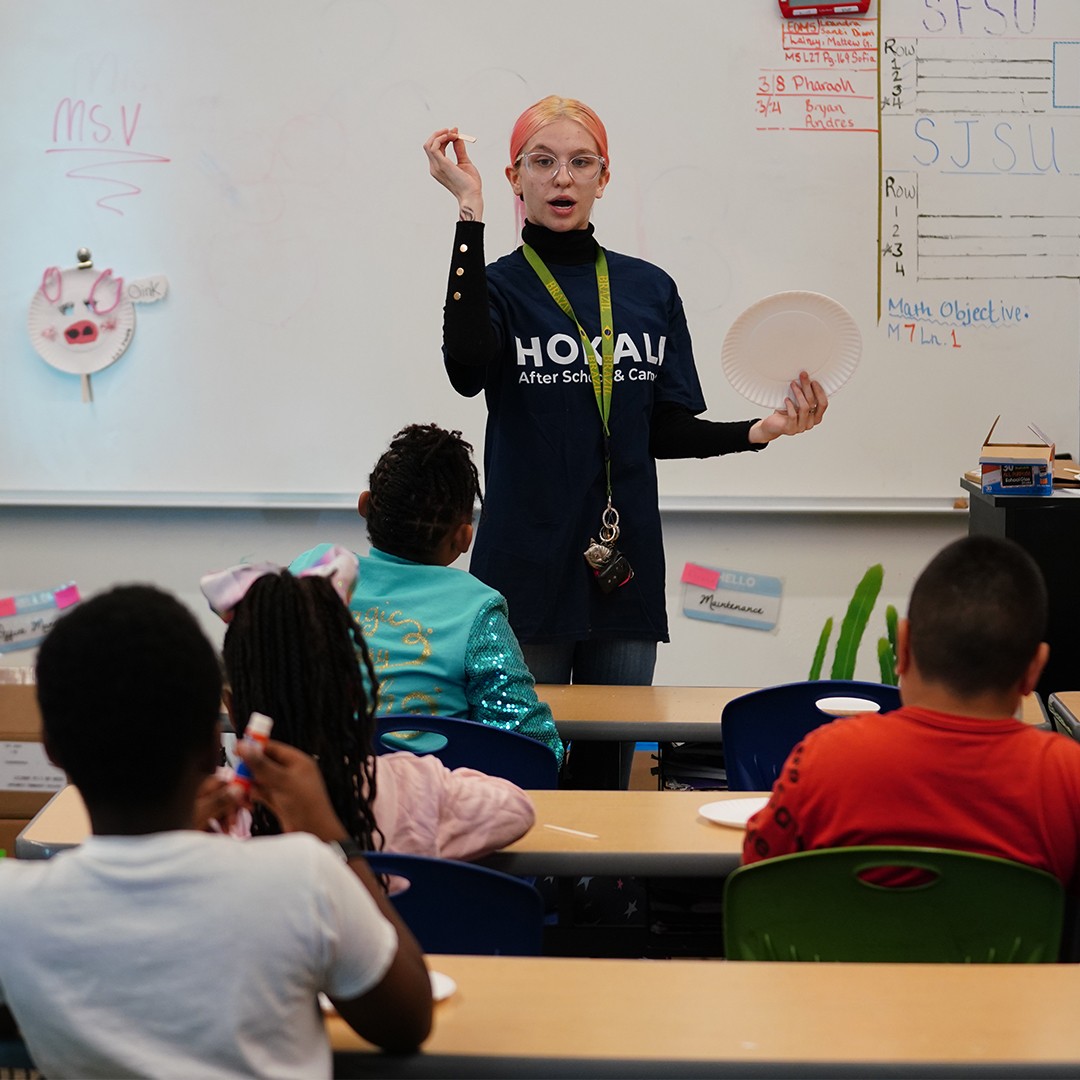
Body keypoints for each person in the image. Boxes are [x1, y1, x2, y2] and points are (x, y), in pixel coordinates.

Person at [424, 95, 827, 787]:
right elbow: (464, 371)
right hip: (527, 565)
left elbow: (661, 430)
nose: (562, 179)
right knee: (526, 769)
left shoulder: (647, 289)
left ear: (604, 179)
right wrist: (469, 213)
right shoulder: (497, 289)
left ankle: (603, 899)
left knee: (608, 776)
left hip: (622, 567)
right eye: (542, 163)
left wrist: (758, 431)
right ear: (515, 176)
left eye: (581, 163)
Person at [0, 584, 431, 1079]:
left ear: (52, 750)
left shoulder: (13, 910)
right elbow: (407, 1019)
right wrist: (332, 836)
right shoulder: (304, 876)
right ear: (214, 743)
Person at [743, 535, 1080, 892]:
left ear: (902, 647)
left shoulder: (822, 759)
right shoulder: (1068, 779)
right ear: (1034, 669)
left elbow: (757, 874)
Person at [201, 547, 537, 859]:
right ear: (354, 693)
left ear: (230, 706)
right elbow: (516, 809)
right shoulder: (414, 789)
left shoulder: (214, 819)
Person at [289, 422, 564, 767]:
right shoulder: (476, 608)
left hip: (308, 798)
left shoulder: (313, 570)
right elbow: (531, 749)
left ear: (365, 505)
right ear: (464, 538)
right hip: (432, 811)